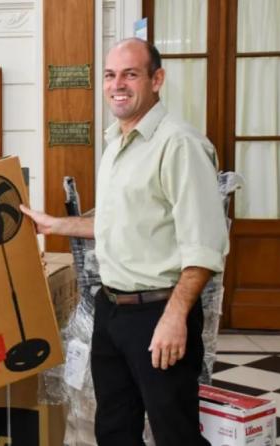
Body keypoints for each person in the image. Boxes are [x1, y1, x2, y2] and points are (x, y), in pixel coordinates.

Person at [21, 38, 228, 446]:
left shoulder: (179, 144)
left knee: (175, 434)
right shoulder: (116, 143)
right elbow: (118, 223)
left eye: (130, 74)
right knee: (114, 430)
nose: (118, 84)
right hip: (111, 310)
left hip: (159, 312)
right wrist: (54, 224)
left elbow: (205, 245)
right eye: (111, 75)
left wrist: (174, 317)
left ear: (157, 80)